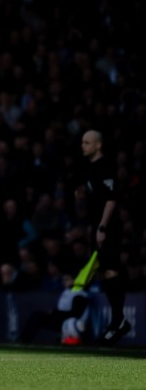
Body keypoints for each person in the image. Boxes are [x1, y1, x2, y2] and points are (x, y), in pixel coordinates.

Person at [75, 129, 130, 345]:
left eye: (87, 142)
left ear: (98, 145)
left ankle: (119, 321)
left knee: (111, 269)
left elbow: (111, 199)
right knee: (104, 274)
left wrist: (103, 227)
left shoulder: (106, 165)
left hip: (108, 227)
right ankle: (117, 322)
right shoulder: (88, 168)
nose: (83, 146)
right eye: (82, 142)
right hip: (95, 226)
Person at [19, 274, 90, 345]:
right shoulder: (67, 291)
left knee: (39, 316)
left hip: (74, 323)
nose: (64, 281)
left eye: (67, 279)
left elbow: (75, 313)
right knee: (37, 315)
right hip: (62, 319)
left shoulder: (79, 294)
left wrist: (55, 313)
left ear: (75, 280)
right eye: (63, 280)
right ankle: (23, 340)